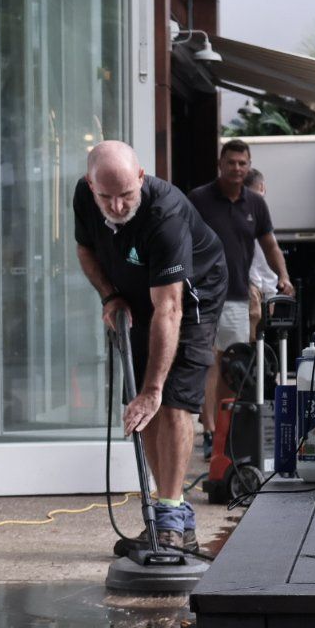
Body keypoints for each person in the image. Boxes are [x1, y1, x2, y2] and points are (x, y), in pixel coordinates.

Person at [75, 141, 227, 552]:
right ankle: (169, 512)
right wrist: (110, 295)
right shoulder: (85, 197)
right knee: (141, 406)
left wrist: (154, 388)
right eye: (106, 196)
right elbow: (85, 249)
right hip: (139, 292)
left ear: (141, 178)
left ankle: (172, 518)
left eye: (126, 195)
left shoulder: (165, 215)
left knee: (171, 399)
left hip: (192, 298)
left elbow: (170, 308)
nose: (117, 206)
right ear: (91, 185)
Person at [188, 140, 293, 458]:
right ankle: (210, 432)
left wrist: (283, 276)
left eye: (242, 163)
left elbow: (270, 245)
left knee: (232, 366)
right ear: (220, 164)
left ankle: (226, 431)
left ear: (248, 166)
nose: (236, 168)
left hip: (237, 294)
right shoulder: (199, 199)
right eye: (231, 162)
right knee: (208, 362)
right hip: (202, 295)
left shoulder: (255, 204)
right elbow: (180, 240)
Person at [243, 169, 280, 341]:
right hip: (252, 286)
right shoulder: (253, 215)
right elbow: (261, 259)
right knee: (249, 339)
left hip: (255, 286)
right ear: (262, 187)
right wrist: (269, 291)